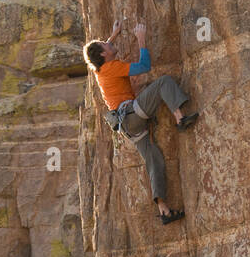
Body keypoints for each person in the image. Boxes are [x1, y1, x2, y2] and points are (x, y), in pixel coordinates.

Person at [85, 19, 198, 224]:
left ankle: (163, 210)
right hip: (132, 114)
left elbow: (99, 53)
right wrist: (141, 39)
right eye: (107, 45)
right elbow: (144, 66)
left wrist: (113, 35)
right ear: (104, 55)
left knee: (154, 160)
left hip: (127, 128)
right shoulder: (113, 66)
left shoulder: (99, 69)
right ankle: (180, 118)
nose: (109, 44)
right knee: (163, 82)